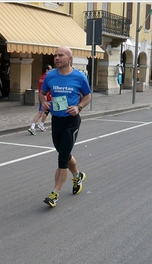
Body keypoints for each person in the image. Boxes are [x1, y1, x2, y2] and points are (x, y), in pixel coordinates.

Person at [39, 46, 91, 208]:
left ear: (70, 59)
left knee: (62, 159)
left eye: (61, 55)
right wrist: (43, 102)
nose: (57, 58)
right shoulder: (50, 75)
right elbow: (42, 92)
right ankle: (78, 175)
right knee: (64, 153)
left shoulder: (79, 77)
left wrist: (79, 107)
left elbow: (88, 95)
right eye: (56, 55)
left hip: (71, 121)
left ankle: (54, 194)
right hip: (57, 120)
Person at [28, 64, 53, 135]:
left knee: (40, 112)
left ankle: (33, 126)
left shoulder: (41, 77)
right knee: (53, 113)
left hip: (42, 97)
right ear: (46, 70)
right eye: (50, 69)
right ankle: (43, 125)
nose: (51, 71)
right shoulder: (48, 78)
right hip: (48, 98)